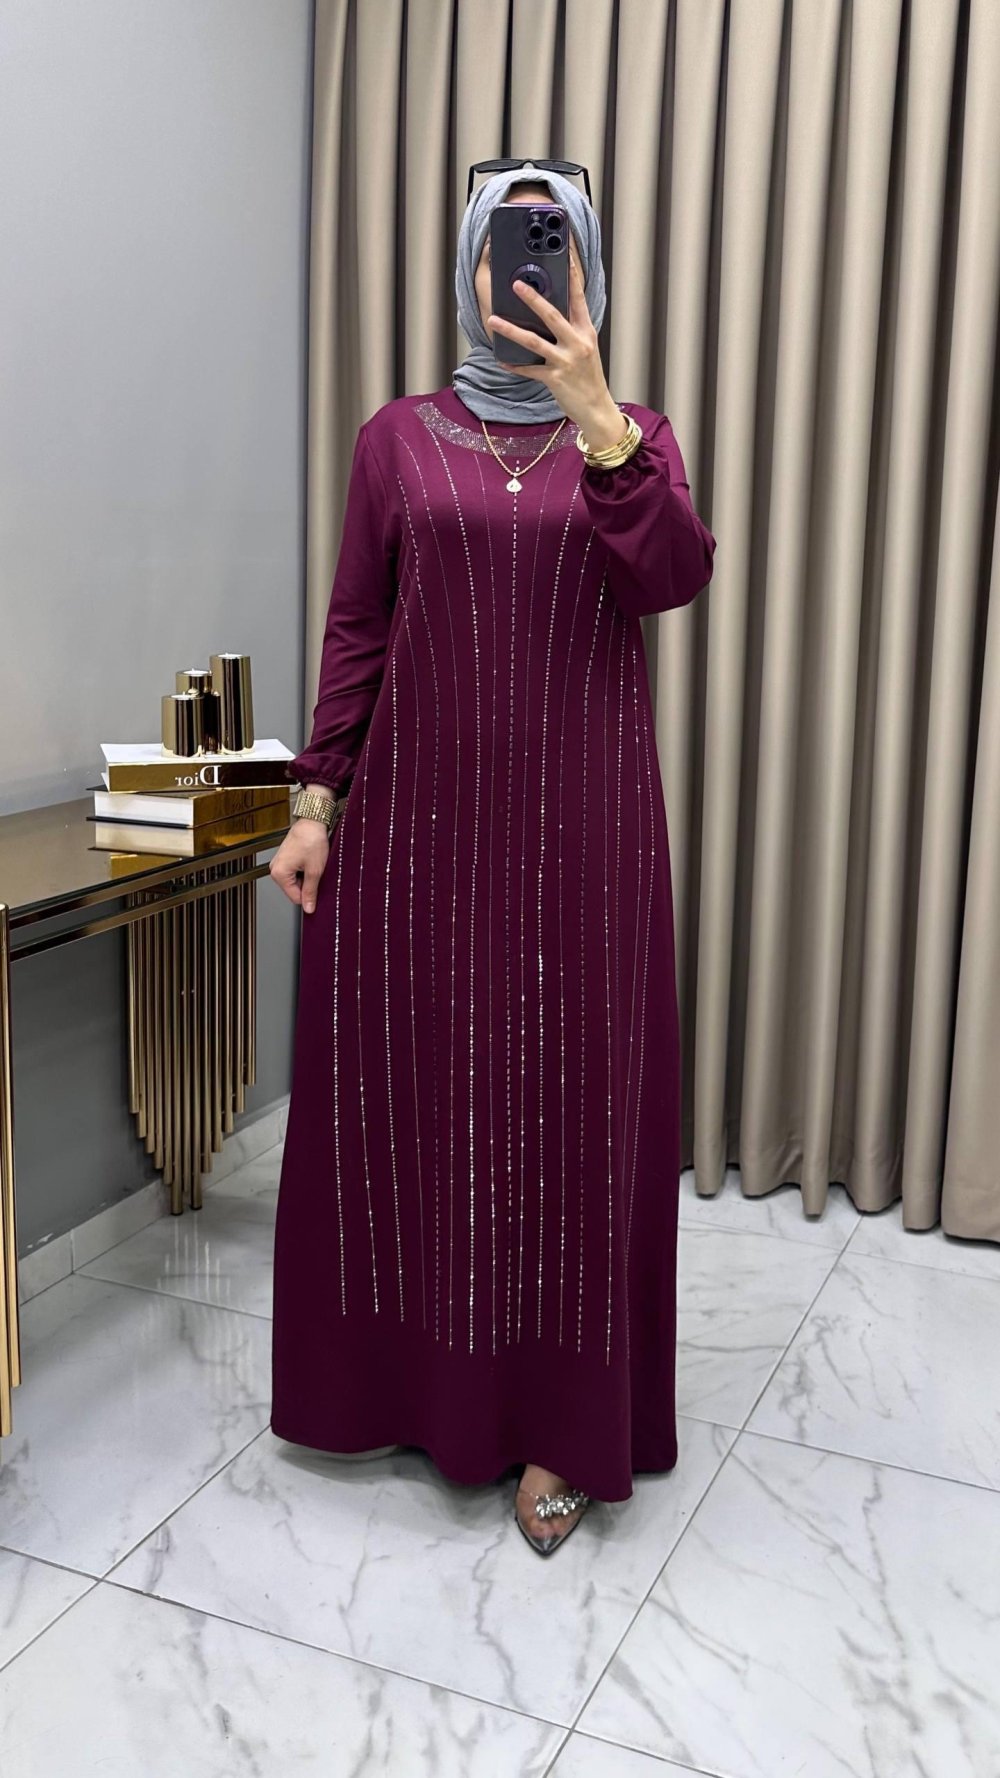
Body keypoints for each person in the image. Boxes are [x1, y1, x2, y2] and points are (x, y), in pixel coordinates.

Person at [268, 162, 716, 1556]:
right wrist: (316, 801)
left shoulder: (635, 435)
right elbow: (359, 624)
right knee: (424, 1095)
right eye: (507, 249)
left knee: (573, 1109)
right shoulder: (396, 440)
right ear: (469, 271)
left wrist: (600, 424)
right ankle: (417, 1391)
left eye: (554, 246)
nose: (528, 272)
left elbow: (673, 576)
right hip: (416, 830)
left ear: (588, 272)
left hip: (585, 834)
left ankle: (563, 1425)